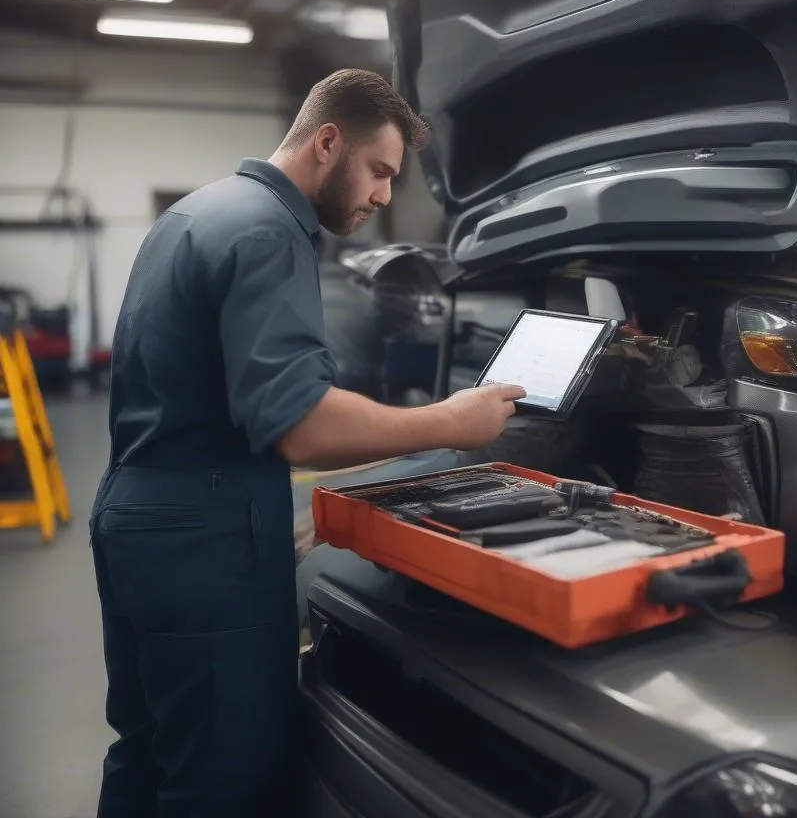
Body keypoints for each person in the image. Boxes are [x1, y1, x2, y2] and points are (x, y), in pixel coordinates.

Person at [88, 68, 525, 818]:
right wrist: (455, 421)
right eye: (380, 170)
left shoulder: (199, 210)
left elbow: (203, 399)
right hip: (201, 545)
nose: (386, 194)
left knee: (148, 751)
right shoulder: (268, 229)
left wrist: (256, 517)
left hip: (141, 516)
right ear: (329, 142)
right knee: (223, 780)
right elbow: (302, 424)